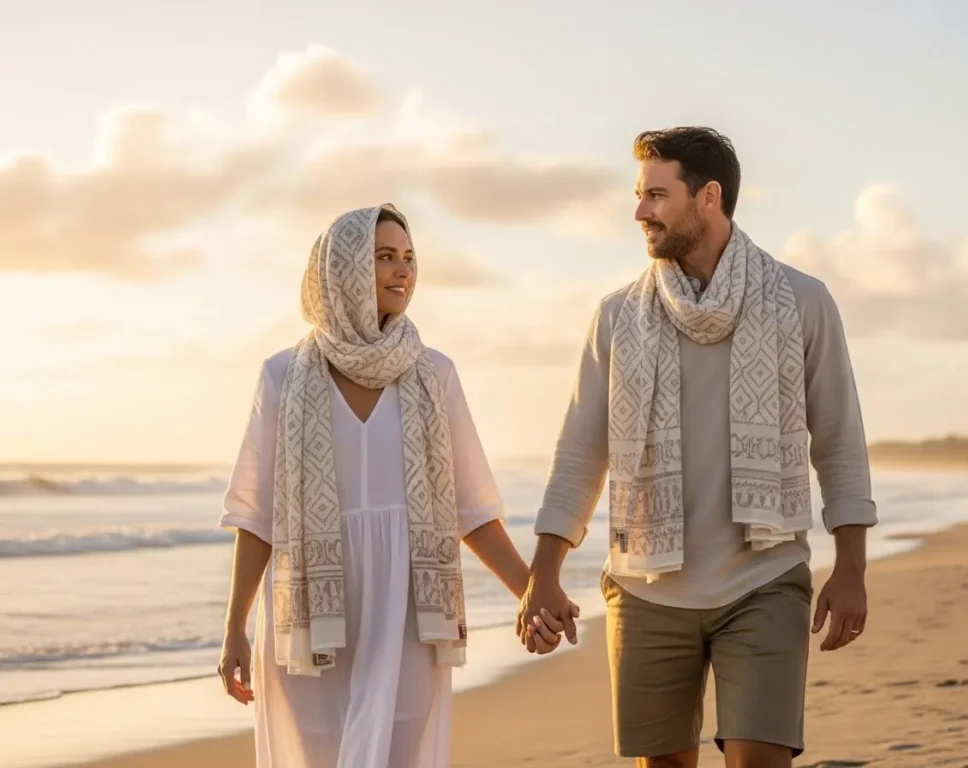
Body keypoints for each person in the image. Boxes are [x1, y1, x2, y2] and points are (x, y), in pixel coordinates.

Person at [517, 127, 878, 768]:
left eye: (656, 195)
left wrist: (852, 566)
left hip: (764, 580)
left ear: (708, 197)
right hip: (645, 590)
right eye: (638, 195)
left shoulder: (801, 301)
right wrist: (543, 574)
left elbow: (839, 439)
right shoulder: (617, 317)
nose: (639, 211)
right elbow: (579, 453)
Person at [216, 204, 561, 768]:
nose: (402, 271)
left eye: (408, 258)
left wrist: (532, 594)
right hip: (311, 620)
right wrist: (233, 628)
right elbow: (256, 516)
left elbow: (471, 510)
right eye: (383, 257)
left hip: (408, 613)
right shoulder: (283, 376)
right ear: (342, 269)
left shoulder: (434, 374)